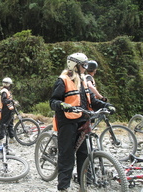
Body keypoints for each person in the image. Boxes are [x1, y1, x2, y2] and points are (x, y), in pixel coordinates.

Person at [49, 52, 116, 191]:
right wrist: (62, 105)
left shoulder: (84, 80)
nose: (86, 67)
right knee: (66, 155)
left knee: (84, 154)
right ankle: (63, 187)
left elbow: (91, 99)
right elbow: (53, 101)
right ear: (75, 65)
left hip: (83, 120)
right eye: (83, 65)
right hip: (67, 121)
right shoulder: (63, 80)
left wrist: (106, 105)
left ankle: (84, 183)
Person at [0, 77, 16, 144]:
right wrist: (10, 101)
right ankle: (1, 139)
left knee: (10, 124)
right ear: (8, 84)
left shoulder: (6, 91)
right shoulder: (4, 91)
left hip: (9, 109)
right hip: (5, 109)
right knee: (4, 124)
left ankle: (11, 138)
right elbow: (4, 100)